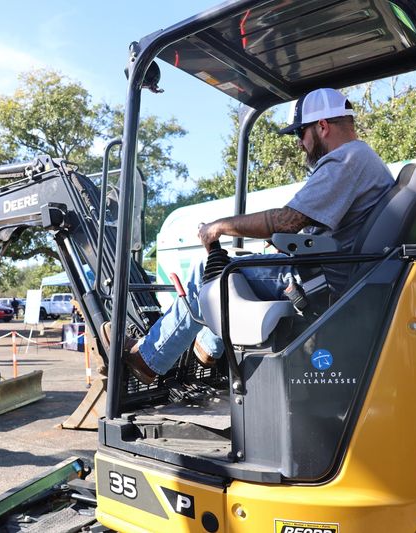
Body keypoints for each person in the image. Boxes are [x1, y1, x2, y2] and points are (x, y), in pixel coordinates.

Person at [103, 88, 395, 385]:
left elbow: (287, 220)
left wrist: (218, 226)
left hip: (319, 281)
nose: (300, 143)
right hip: (333, 274)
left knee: (205, 274)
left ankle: (149, 360)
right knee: (237, 265)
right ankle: (207, 349)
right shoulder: (364, 159)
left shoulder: (346, 159)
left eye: (301, 133)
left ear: (322, 126)